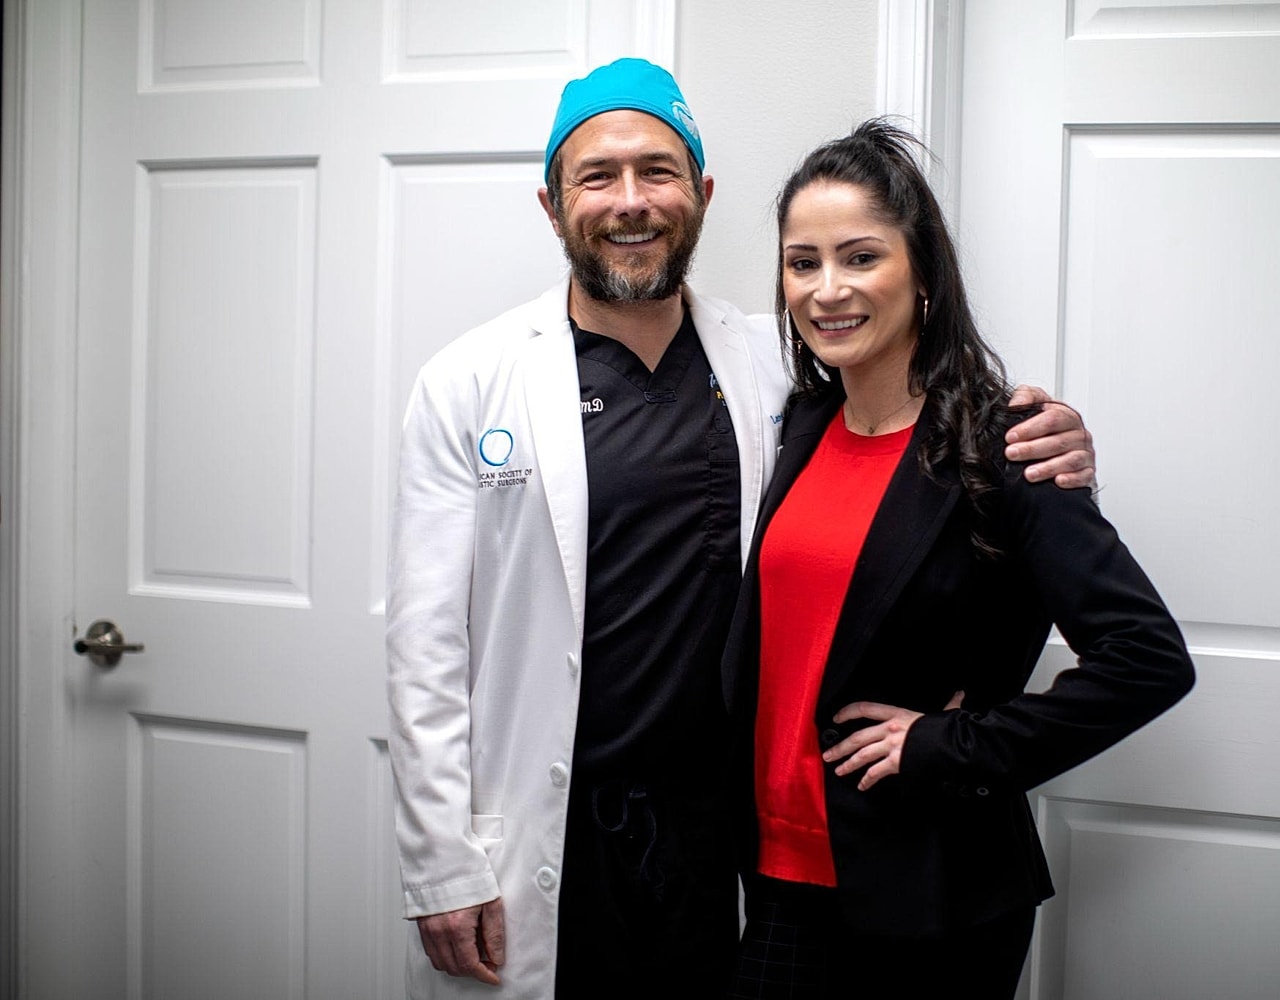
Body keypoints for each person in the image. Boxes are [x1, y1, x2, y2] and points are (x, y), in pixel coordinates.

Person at [387, 62, 1097, 998]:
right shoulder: (468, 383)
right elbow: (426, 647)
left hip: (729, 836)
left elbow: (917, 447)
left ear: (702, 194)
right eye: (597, 176)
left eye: (659, 171)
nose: (630, 202)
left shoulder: (780, 361)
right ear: (552, 206)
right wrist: (444, 863)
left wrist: (1053, 440)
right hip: (553, 824)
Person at [721, 119, 1196, 998]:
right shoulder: (800, 426)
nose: (828, 289)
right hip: (778, 872)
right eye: (803, 262)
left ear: (924, 274)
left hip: (929, 892)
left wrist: (953, 744)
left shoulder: (1003, 444)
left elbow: (1148, 661)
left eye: (861, 257)